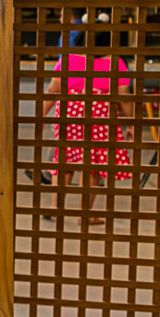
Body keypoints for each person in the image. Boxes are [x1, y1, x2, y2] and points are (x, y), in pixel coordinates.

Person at [42, 28, 133, 226]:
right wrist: (131, 124)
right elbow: (124, 97)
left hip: (69, 114)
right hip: (99, 116)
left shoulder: (68, 59)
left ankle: (55, 208)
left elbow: (52, 90)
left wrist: (39, 116)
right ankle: (85, 215)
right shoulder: (116, 62)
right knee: (91, 167)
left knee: (64, 161)